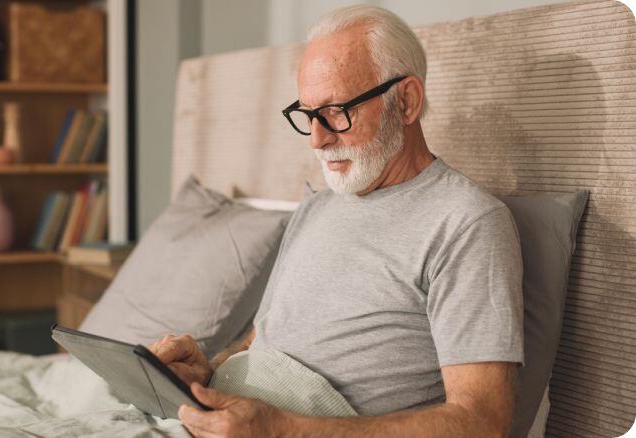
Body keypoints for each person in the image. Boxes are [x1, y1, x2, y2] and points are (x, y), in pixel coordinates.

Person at [149, 5, 524, 437]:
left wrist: (284, 430)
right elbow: (265, 338)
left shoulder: (466, 223)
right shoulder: (317, 206)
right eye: (308, 114)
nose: (317, 139)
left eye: (336, 111)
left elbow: (483, 422)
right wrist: (207, 371)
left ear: (406, 101)